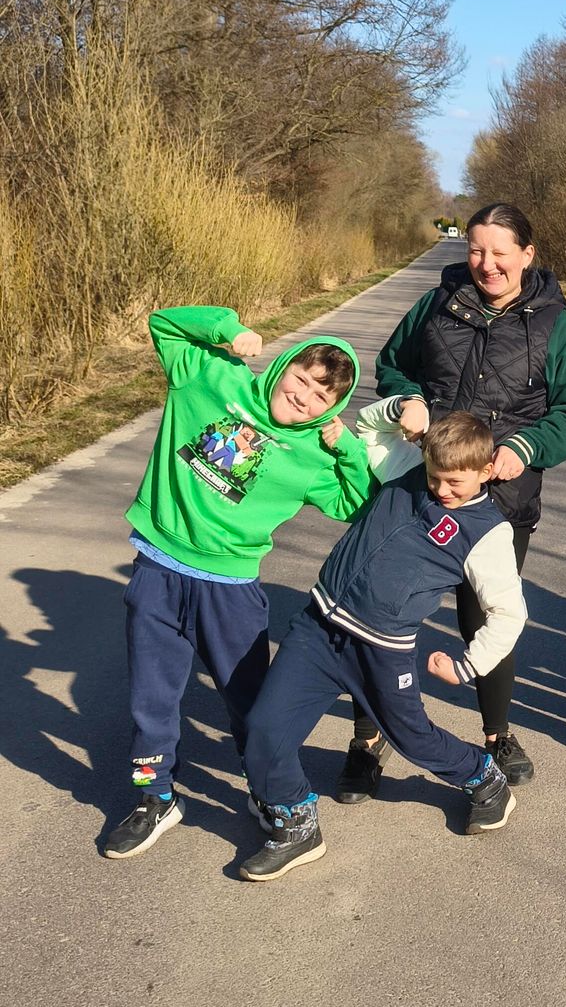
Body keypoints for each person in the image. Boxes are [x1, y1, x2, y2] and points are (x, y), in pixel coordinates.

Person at [337, 202, 566, 801]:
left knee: (486, 614)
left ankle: (497, 734)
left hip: (501, 498)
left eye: (499, 253)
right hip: (418, 490)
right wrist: (408, 401)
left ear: (527, 256)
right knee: (381, 609)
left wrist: (528, 447)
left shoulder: (556, 326)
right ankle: (366, 738)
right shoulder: (436, 305)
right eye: (476, 251)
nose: (486, 264)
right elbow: (393, 366)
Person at [104, 308, 373, 859]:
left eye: (321, 397)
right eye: (300, 378)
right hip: (158, 568)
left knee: (251, 704)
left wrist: (344, 446)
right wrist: (228, 329)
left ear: (333, 408)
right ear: (282, 367)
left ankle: (269, 792)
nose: (303, 397)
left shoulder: (312, 456)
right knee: (150, 699)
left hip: (230, 591)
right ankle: (154, 798)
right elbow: (165, 325)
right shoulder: (209, 376)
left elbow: (357, 503)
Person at [240, 402, 528, 881]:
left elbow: (509, 612)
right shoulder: (409, 469)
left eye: (455, 482)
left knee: (413, 737)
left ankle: (483, 776)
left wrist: (467, 666)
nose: (441, 489)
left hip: (381, 649)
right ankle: (295, 821)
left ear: (485, 469)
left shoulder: (487, 532)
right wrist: (403, 406)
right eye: (436, 477)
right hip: (318, 628)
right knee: (263, 731)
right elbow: (370, 426)